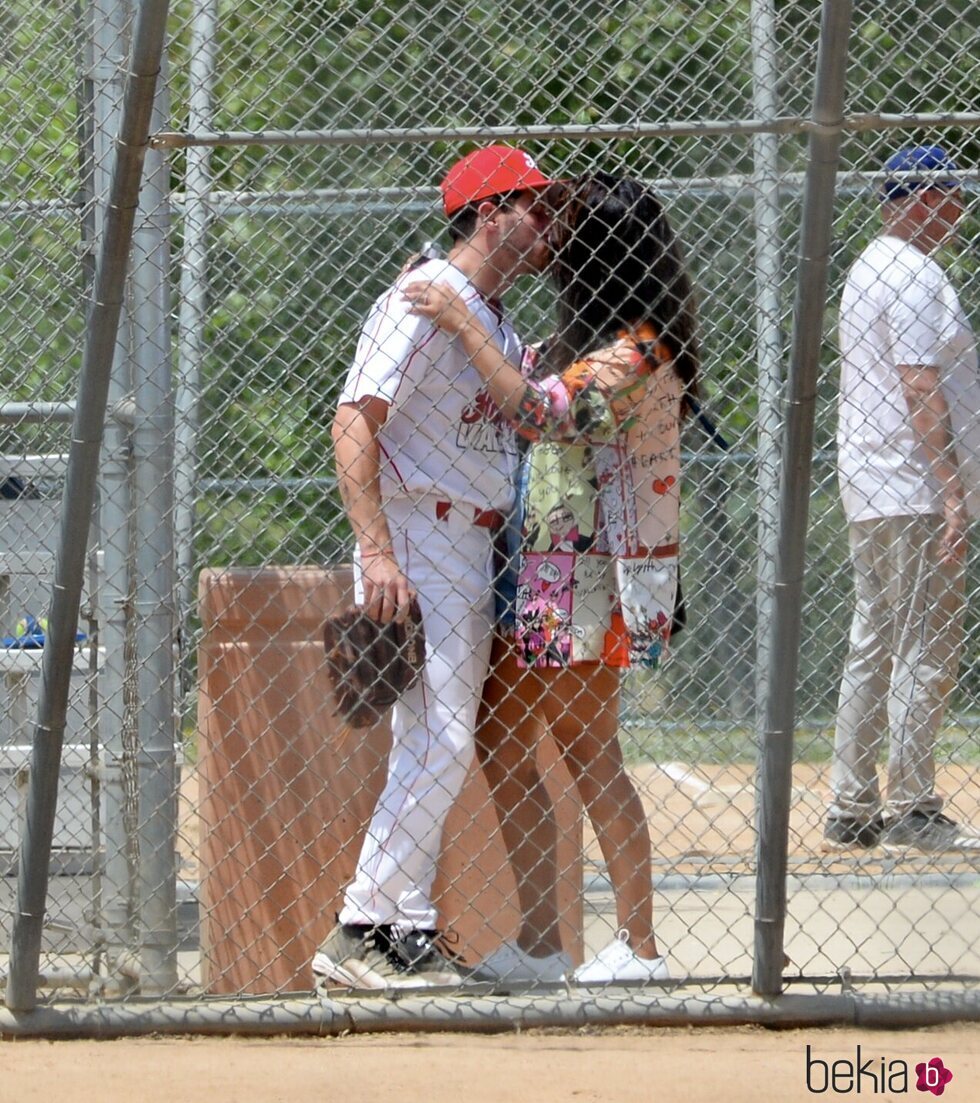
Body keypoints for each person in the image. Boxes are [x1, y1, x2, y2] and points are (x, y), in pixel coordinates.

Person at [404, 170, 700, 983]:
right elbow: (532, 383)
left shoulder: (640, 349)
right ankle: (541, 943)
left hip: (594, 581)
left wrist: (462, 319)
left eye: (567, 230)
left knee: (585, 749)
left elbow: (540, 411)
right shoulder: (584, 345)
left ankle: (639, 947)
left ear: (604, 250)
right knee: (501, 741)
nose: (550, 239)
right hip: (544, 579)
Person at [315, 145, 556, 991]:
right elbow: (353, 421)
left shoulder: (490, 317)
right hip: (419, 532)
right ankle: (361, 929)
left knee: (429, 743)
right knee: (441, 739)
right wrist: (377, 548)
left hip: (469, 542)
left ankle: (401, 926)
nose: (549, 221)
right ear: (490, 213)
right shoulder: (421, 300)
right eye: (535, 204)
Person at [824, 144, 980, 855]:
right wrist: (953, 488)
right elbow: (920, 384)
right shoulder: (914, 271)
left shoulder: (868, 267)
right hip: (914, 484)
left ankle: (851, 805)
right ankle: (913, 806)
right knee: (923, 644)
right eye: (949, 196)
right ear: (918, 198)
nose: (957, 210)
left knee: (875, 642)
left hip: (873, 480)